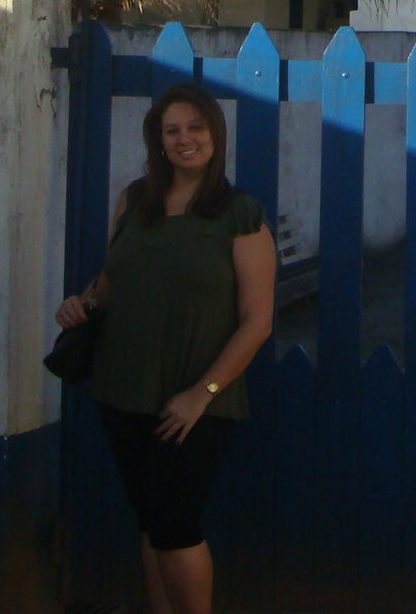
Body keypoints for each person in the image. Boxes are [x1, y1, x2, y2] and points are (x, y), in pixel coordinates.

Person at [56, 82, 276, 614]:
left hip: (196, 404)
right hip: (123, 391)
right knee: (153, 522)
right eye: (171, 130)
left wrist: (203, 394)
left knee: (176, 526)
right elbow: (113, 281)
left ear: (214, 136)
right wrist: (81, 302)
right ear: (157, 140)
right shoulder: (135, 202)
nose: (184, 140)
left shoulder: (240, 215)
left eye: (195, 128)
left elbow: (257, 322)